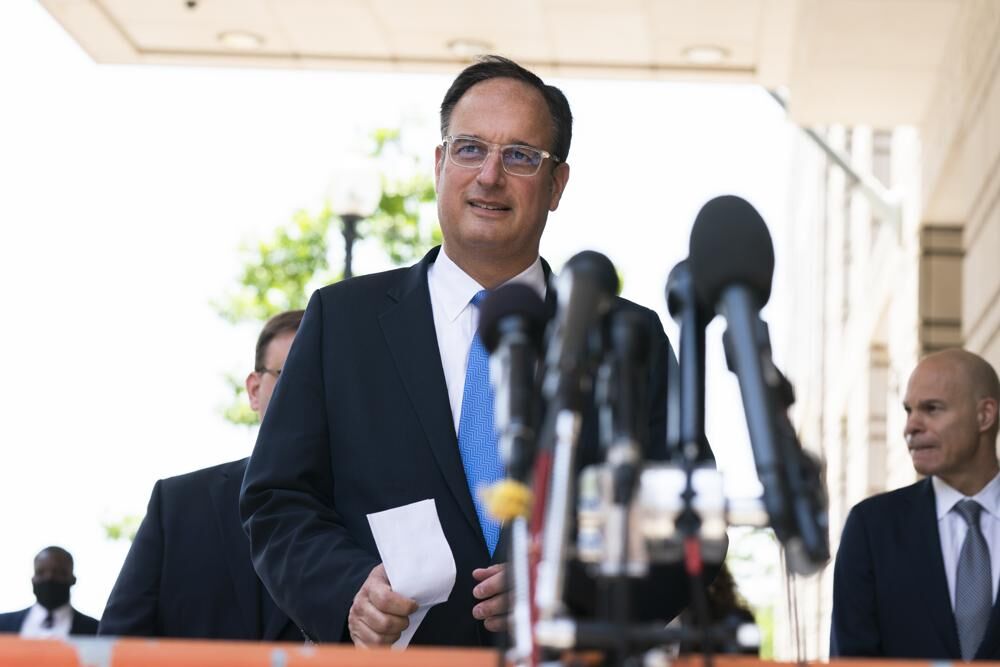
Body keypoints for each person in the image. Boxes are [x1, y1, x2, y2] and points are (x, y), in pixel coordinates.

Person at [241, 55, 707, 648]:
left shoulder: (626, 340)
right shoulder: (343, 322)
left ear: (557, 184)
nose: (489, 175)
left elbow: (684, 524)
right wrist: (346, 593)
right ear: (439, 164)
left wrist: (572, 589)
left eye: (519, 156)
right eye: (468, 149)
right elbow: (277, 501)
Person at [97, 310, 304, 641]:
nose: (306, 393)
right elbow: (118, 645)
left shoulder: (372, 512)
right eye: (290, 375)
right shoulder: (176, 505)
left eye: (321, 378)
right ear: (254, 390)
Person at [831, 348, 1000, 659]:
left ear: (985, 415)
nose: (911, 427)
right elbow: (852, 659)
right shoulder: (871, 528)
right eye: (909, 411)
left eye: (932, 409)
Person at [0, 546, 99, 638]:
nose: (49, 578)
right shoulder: (3, 624)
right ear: (33, 579)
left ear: (73, 579)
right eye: (40, 572)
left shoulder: (95, 630)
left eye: (58, 572)